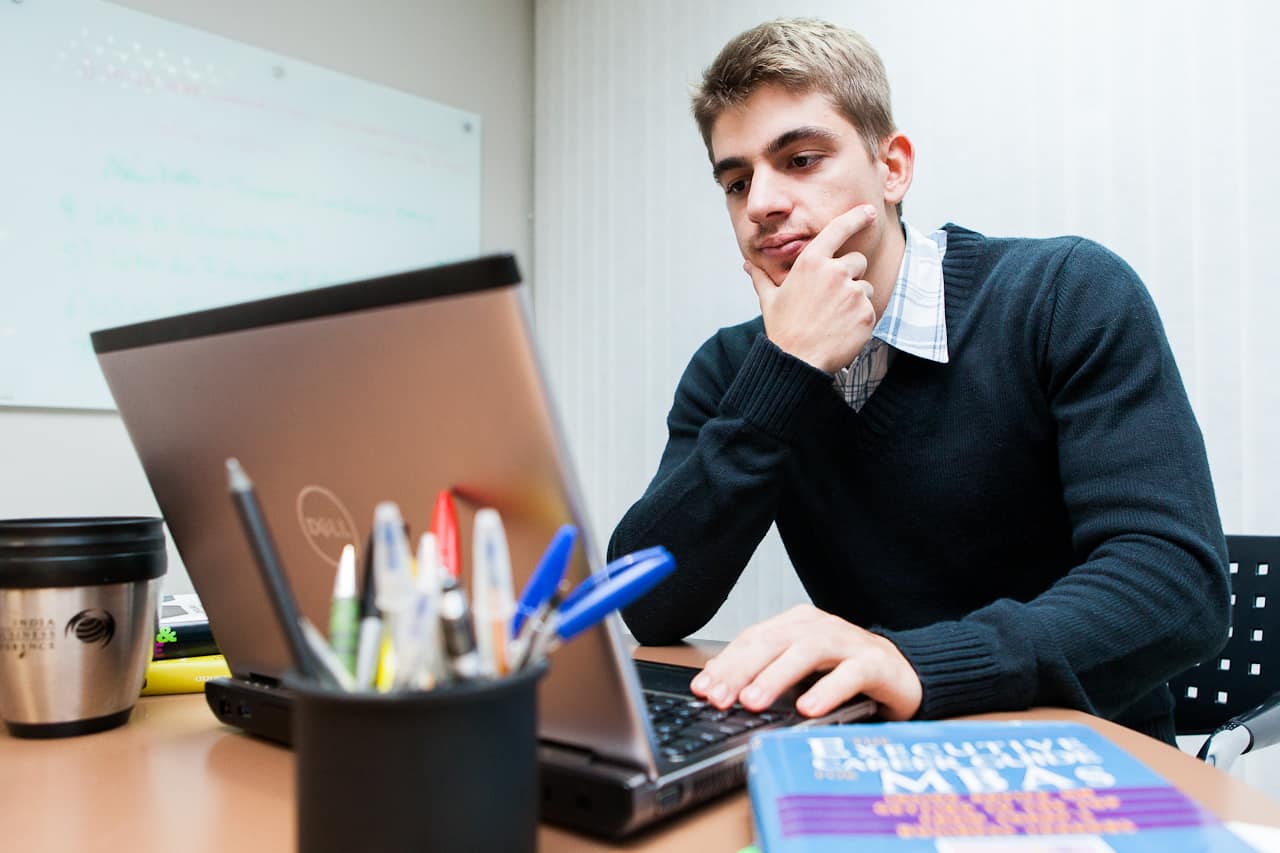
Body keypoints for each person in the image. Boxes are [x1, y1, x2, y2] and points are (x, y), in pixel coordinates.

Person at [607, 17, 1229, 744]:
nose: (762, 205)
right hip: (879, 749)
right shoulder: (735, 369)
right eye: (737, 181)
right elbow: (648, 604)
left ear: (893, 167)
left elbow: (1175, 585)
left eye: (801, 159)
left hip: (1085, 747)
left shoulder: (1063, 294)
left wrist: (916, 663)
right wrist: (785, 375)